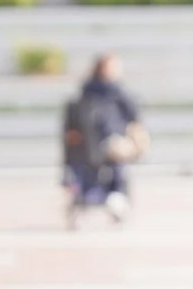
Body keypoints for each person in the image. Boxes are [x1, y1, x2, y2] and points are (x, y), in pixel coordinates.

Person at [62, 53, 147, 225]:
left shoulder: (118, 94)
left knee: (117, 158)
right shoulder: (88, 95)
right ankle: (106, 195)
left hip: (112, 142)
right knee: (106, 157)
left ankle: (115, 194)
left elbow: (134, 116)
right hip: (94, 144)